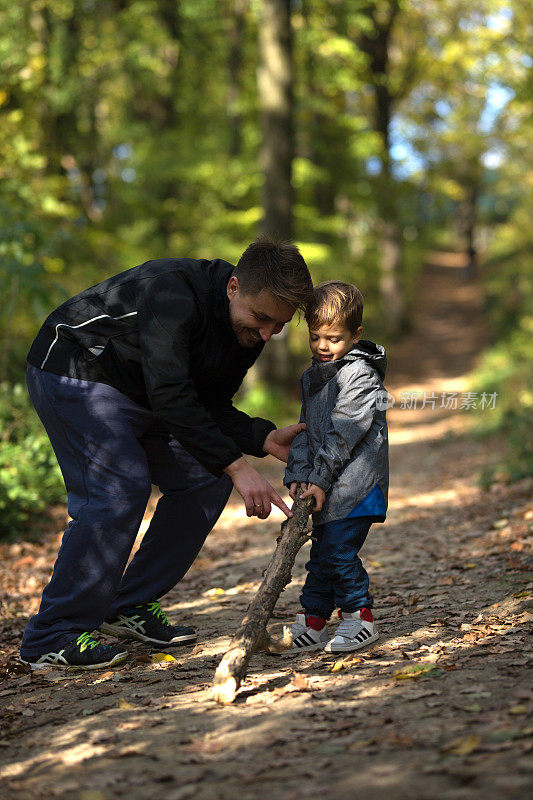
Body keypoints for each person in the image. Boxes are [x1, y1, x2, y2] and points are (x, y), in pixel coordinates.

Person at [20, 238, 313, 670]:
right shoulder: (172, 291)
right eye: (262, 318)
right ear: (233, 287)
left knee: (205, 476)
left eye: (279, 325)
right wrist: (238, 465)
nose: (267, 334)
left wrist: (262, 438)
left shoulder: (244, 331)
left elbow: (207, 403)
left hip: (142, 392)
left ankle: (128, 606)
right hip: (75, 370)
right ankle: (51, 633)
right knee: (119, 489)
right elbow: (171, 393)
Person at [283, 281, 389, 654]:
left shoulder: (360, 376)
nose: (322, 346)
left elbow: (342, 435)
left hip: (357, 487)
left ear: (356, 335)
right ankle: (313, 621)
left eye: (333, 338)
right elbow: (304, 432)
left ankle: (360, 618)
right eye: (315, 337)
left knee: (340, 555)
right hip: (325, 487)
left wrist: (320, 478)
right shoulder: (313, 376)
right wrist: (299, 475)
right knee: (322, 557)